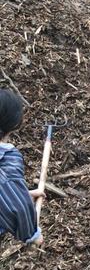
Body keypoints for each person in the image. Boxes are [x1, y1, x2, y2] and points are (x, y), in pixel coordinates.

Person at [0, 89, 44, 246]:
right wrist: (32, 235)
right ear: (14, 124)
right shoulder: (7, 158)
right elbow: (18, 208)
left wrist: (23, 193)